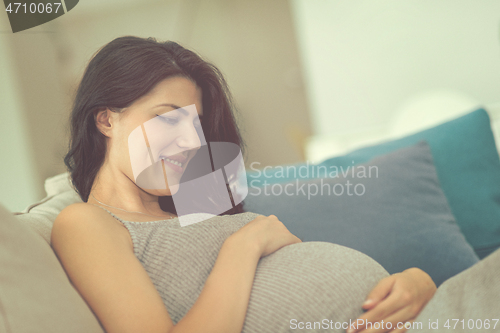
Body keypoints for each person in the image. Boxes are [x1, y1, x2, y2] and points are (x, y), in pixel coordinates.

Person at [51, 36, 436, 333]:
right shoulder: (84, 223)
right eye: (167, 119)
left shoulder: (197, 205)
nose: (191, 143)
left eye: (195, 125)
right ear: (106, 120)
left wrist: (416, 284)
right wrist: (245, 245)